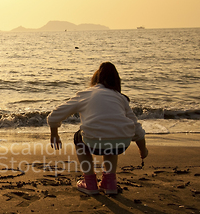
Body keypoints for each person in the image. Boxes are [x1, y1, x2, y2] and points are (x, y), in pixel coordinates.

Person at [47, 62, 148, 195]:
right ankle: (110, 183)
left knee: (79, 137)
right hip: (121, 142)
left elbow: (54, 115)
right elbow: (135, 126)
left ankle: (90, 183)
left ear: (95, 78)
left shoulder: (86, 94)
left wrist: (54, 133)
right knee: (113, 135)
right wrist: (143, 149)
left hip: (94, 141)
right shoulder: (121, 98)